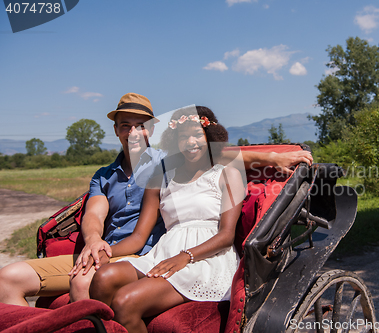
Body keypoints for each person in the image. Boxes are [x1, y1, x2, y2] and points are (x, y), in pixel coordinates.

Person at [0, 94, 313, 306]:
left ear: (150, 130)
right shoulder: (104, 175)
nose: (133, 132)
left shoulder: (169, 162)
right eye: (126, 125)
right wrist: (94, 242)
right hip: (108, 249)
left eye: (140, 125)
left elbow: (220, 154)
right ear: (116, 130)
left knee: (83, 283)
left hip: (152, 251)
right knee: (8, 278)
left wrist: (272, 156)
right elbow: (93, 215)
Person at [90, 106, 244, 333]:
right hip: (165, 253)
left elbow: (226, 236)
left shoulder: (227, 174)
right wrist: (105, 253)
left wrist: (186, 256)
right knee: (103, 277)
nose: (191, 142)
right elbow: (139, 236)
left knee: (125, 301)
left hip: (207, 258)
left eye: (197, 135)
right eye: (183, 136)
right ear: (175, 140)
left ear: (209, 137)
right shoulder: (160, 177)